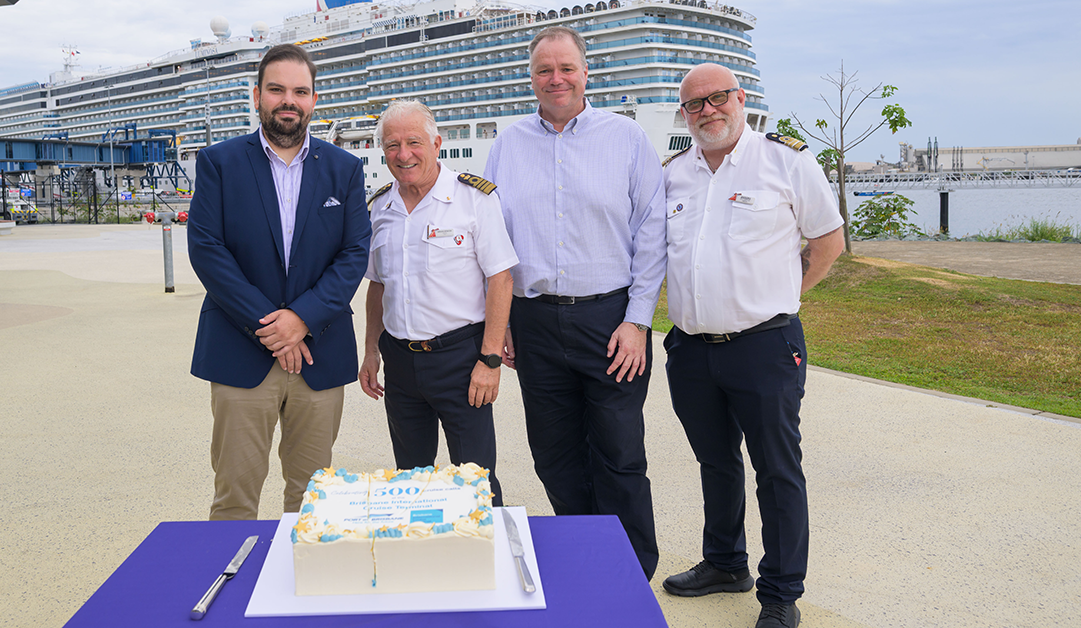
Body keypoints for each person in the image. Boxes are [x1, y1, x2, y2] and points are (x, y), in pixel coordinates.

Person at [659, 63, 844, 628]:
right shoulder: (674, 174)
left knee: (776, 468)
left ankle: (782, 591)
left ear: (740, 98)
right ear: (684, 113)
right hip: (691, 348)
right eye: (694, 104)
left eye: (717, 99)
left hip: (764, 344)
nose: (707, 110)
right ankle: (724, 562)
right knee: (715, 461)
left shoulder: (785, 161)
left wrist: (787, 294)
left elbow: (829, 242)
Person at [482, 26, 665, 579]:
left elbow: (652, 231)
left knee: (619, 451)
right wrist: (505, 320)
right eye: (544, 70)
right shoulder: (507, 145)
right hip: (534, 320)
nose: (555, 79)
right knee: (555, 453)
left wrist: (638, 321)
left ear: (587, 72)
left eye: (566, 68)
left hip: (610, 319)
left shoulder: (627, 139)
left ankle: (631, 569)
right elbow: (492, 237)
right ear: (531, 77)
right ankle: (588, 558)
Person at [187, 44, 371, 520]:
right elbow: (207, 250)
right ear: (257, 96)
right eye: (277, 90)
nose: (288, 100)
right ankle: (232, 590)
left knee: (312, 501)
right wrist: (274, 326)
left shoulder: (344, 169)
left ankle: (301, 591)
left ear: (314, 100)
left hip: (320, 350)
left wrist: (302, 319)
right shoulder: (218, 163)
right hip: (241, 350)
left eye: (300, 91)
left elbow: (353, 254)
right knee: (234, 498)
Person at [358, 100, 518, 504]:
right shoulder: (380, 207)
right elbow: (377, 286)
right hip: (400, 361)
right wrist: (371, 352)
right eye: (392, 145)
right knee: (410, 484)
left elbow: (501, 279)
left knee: (476, 480)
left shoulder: (474, 199)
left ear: (437, 144)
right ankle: (422, 561)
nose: (403, 154)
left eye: (414, 142)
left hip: (461, 360)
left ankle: (486, 562)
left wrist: (490, 360)